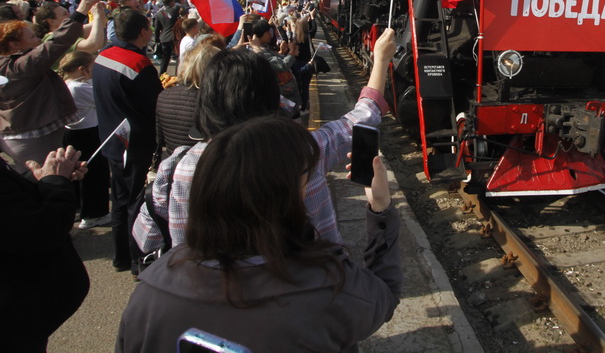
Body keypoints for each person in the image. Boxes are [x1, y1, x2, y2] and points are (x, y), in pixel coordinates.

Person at [117, 116, 401, 353]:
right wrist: (381, 208)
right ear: (279, 199)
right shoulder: (329, 286)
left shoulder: (149, 294)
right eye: (305, 178)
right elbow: (384, 296)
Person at [134, 28, 397, 253]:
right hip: (302, 288)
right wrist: (381, 60)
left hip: (201, 291)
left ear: (207, 101)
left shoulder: (176, 167)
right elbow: (364, 114)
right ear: (269, 97)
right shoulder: (303, 153)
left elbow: (146, 239)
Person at [1, 144, 90, 353]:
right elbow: (41, 228)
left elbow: (12, 208)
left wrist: (45, 181)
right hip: (14, 326)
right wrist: (56, 183)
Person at [94, 8, 162, 277]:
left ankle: (120, 257)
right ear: (143, 32)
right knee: (135, 201)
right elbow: (155, 104)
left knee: (120, 200)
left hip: (111, 139)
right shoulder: (138, 65)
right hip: (135, 143)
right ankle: (136, 260)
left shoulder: (103, 55)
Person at [0, 0, 99, 173]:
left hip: (18, 135)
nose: (38, 40)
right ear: (13, 45)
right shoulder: (21, 66)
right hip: (33, 138)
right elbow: (55, 44)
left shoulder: (10, 64)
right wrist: (80, 12)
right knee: (46, 179)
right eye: (31, 37)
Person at [58, 50, 110, 229]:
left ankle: (79, 207)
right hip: (87, 134)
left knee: (79, 174)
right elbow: (103, 97)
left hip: (74, 134)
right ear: (83, 69)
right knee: (94, 174)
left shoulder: (67, 84)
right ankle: (94, 214)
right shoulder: (78, 88)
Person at [155, 39, 223, 162]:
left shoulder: (164, 95)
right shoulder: (216, 100)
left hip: (172, 163)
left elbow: (160, 138)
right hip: (205, 165)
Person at [153, 0, 180, 75]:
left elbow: (157, 28)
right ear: (171, 2)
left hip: (164, 38)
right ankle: (177, 75)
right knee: (178, 57)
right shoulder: (175, 10)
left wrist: (157, 40)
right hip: (174, 37)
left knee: (165, 58)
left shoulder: (159, 13)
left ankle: (161, 74)